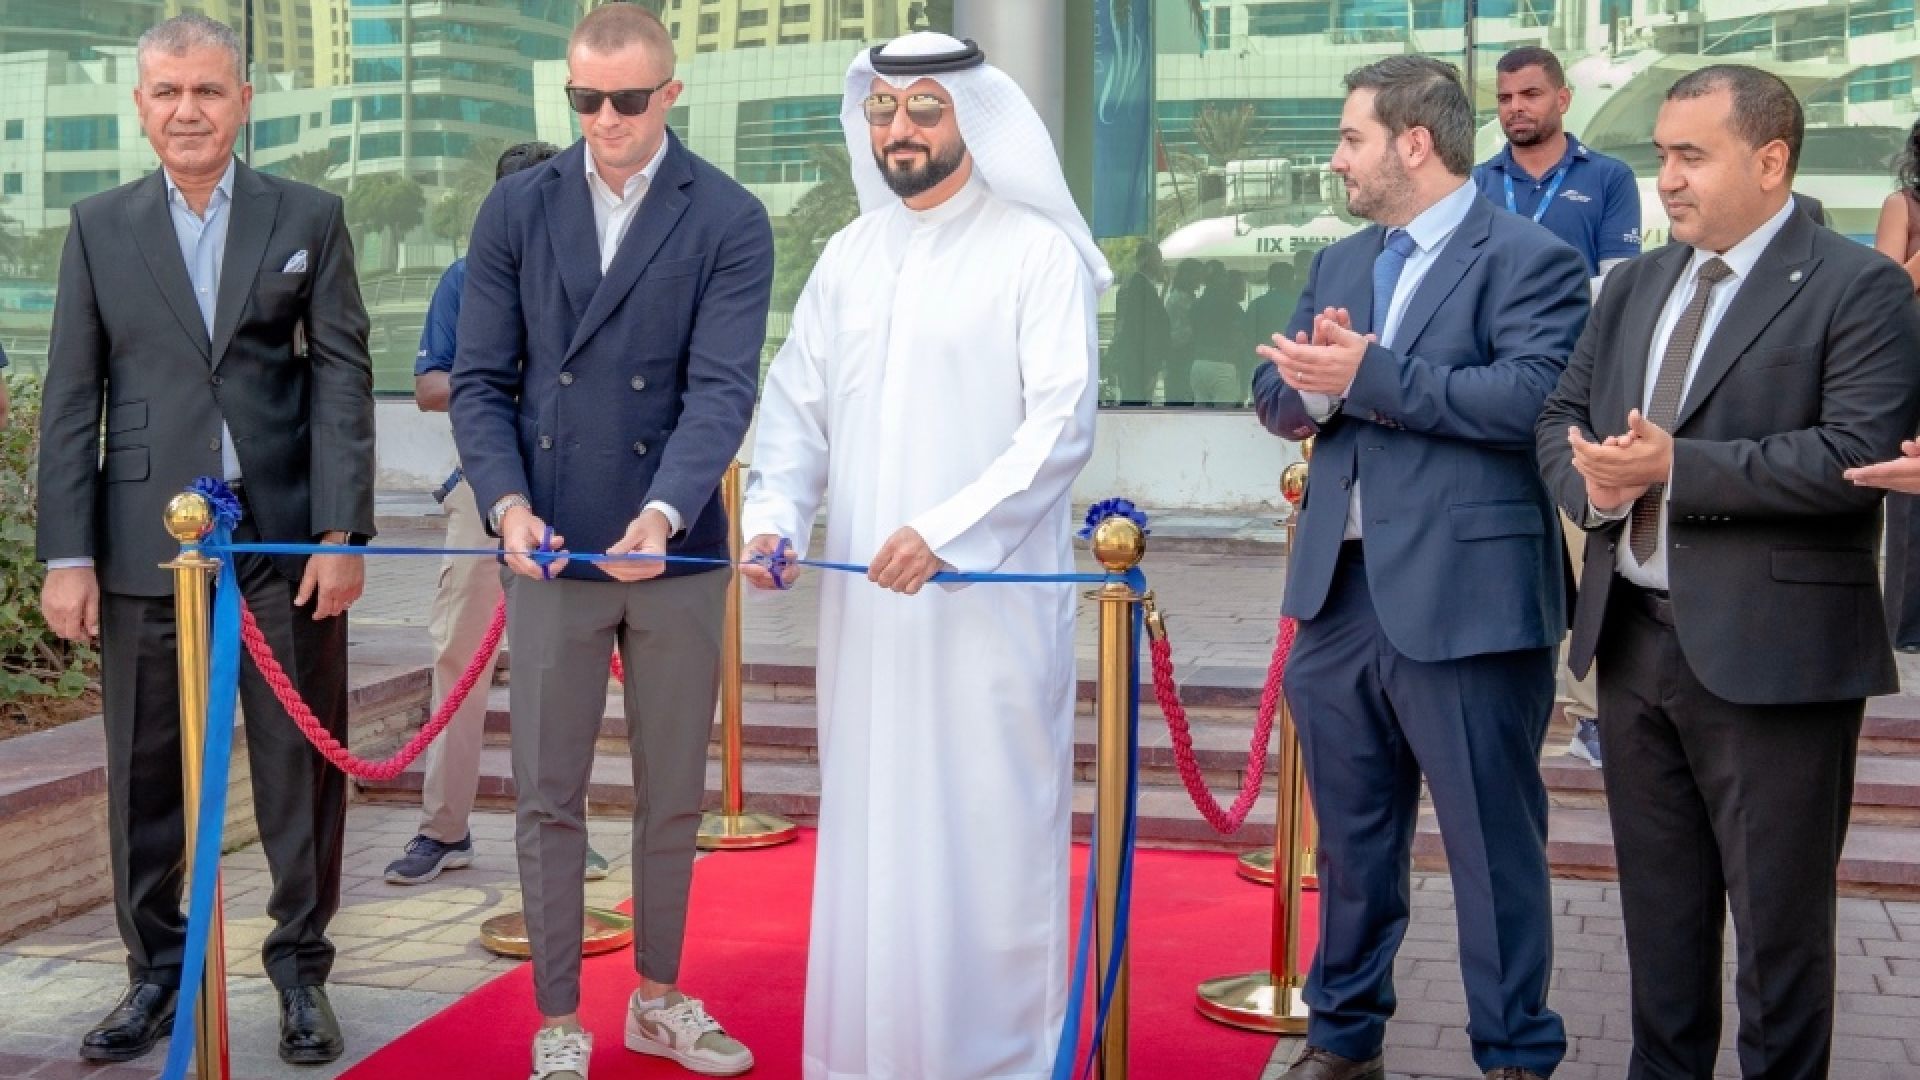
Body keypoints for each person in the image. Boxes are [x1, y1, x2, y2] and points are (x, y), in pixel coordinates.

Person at [1537, 65, 1920, 1079]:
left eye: (1689, 155)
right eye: (1660, 154)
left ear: (1771, 159)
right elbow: (1558, 419)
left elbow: (1856, 455)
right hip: (1632, 648)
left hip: (1778, 664)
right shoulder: (1634, 284)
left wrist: (1677, 466)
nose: (1665, 179)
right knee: (1661, 933)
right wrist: (1602, 493)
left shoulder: (1859, 284)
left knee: (1780, 947)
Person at [740, 31, 1105, 1080]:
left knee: (981, 837)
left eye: (926, 110)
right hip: (865, 619)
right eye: (884, 110)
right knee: (870, 838)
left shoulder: (1035, 253)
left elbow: (1059, 428)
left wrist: (947, 533)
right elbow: (795, 413)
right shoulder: (851, 257)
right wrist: (775, 517)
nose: (900, 130)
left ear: (974, 121)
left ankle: (993, 1061)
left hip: (983, 616)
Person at [33, 12, 374, 1066]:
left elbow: (342, 378)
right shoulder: (98, 226)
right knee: (143, 777)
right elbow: (71, 395)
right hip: (143, 551)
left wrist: (340, 532)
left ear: (242, 102)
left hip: (281, 551)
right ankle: (155, 977)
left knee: (297, 771)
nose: (189, 110)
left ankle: (300, 975)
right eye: (168, 92)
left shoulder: (307, 212)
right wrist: (67, 554)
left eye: (209, 91)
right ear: (141, 108)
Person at [1252, 56, 1589, 1080]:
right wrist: (1307, 394)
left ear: (1412, 142)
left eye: (1351, 137)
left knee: (1493, 851)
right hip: (1338, 599)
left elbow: (1528, 400)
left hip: (1469, 603)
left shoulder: (1531, 259)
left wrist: (1367, 375)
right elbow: (1276, 393)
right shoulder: (1346, 260)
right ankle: (1345, 1040)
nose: (1337, 159)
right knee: (1351, 851)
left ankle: (1514, 1055)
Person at [450, 5, 771, 1078]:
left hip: (673, 547)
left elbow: (723, 389)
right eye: (586, 100)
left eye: (628, 100)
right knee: (547, 790)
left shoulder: (729, 215)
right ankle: (555, 1021)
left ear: (670, 94)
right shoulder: (515, 209)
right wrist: (504, 506)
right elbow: (483, 381)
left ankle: (662, 999)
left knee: (673, 784)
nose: (606, 121)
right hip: (547, 545)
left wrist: (666, 510)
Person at [381, 140, 614, 887]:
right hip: (486, 492)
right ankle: (443, 830)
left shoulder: (601, 275)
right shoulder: (465, 277)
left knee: (570, 670)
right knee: (460, 659)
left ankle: (561, 832)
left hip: (579, 493)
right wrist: (504, 384)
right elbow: (429, 386)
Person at [1472, 45, 1641, 768]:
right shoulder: (1477, 183)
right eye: (1506, 98)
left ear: (1563, 99)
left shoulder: (1607, 178)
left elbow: (1618, 287)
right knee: (1501, 550)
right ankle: (1497, 691)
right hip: (1494, 395)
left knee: (1588, 553)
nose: (1516, 108)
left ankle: (1594, 714)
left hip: (1582, 393)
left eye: (1530, 95)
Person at [1865, 118, 1920, 653]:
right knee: (1909, 482)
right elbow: (1885, 288)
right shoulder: (1904, 203)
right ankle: (1907, 624)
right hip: (1914, 349)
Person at [1108, 240, 1169, 404]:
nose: (1161, 264)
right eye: (1158, 258)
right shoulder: (1140, 288)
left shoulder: (1135, 286)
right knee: (1137, 408)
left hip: (1133, 362)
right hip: (1138, 365)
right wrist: (1150, 367)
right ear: (1148, 260)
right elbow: (1142, 330)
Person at [1190, 260, 1247, 406]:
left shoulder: (1196, 304)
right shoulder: (1231, 306)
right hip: (1223, 365)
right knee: (1223, 420)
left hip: (1198, 364)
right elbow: (1239, 338)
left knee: (1201, 418)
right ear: (1222, 278)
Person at [1163, 258, 1204, 404]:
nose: (1200, 280)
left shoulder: (1189, 298)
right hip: (1178, 358)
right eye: (1197, 275)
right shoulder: (1178, 299)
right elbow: (1177, 334)